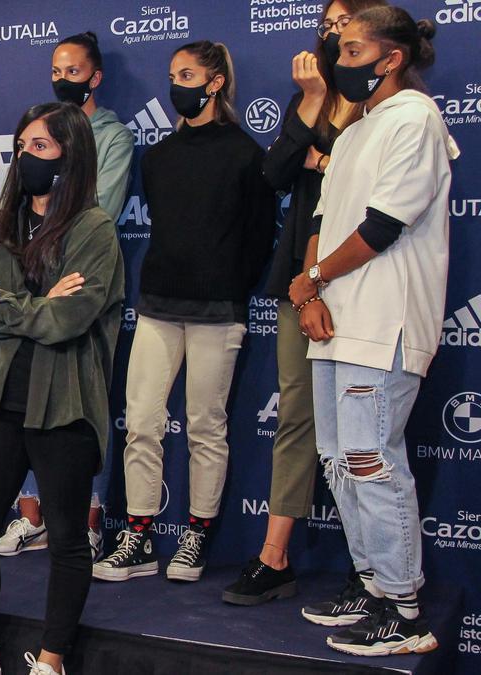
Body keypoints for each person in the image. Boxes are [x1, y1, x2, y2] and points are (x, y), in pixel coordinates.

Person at [289, 6, 454, 656]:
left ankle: (405, 608)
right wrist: (307, 290)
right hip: (333, 322)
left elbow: (383, 226)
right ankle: (374, 583)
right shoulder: (354, 128)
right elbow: (321, 221)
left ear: (391, 58)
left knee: (369, 460)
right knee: (338, 461)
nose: (341, 59)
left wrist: (315, 278)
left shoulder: (415, 118)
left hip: (383, 322)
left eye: (354, 50)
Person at [0, 102, 124, 675]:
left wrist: (7, 302)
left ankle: (51, 661)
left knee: (68, 538)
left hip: (63, 402)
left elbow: (66, 322)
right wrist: (30, 303)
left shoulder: (93, 228)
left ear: (71, 154)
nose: (26, 157)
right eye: (22, 146)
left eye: (40, 147)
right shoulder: (1, 223)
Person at [223, 0, 388, 607]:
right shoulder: (312, 95)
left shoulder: (386, 99)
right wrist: (313, 104)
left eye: (343, 25)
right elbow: (276, 172)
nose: (331, 34)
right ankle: (275, 556)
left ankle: (370, 570)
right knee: (298, 415)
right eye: (325, 27)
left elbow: (363, 184)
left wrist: (324, 157)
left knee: (363, 432)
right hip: (301, 271)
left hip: (365, 274)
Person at [94, 41, 274, 584]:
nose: (178, 84)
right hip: (157, 304)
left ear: (215, 83)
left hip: (219, 309)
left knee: (204, 426)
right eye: (173, 75)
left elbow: (260, 239)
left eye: (189, 74)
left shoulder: (247, 153)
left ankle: (195, 536)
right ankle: (140, 537)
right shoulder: (160, 156)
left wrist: (227, 287)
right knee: (142, 423)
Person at [0, 30, 135, 562]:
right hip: (34, 276)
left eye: (73, 71)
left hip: (83, 280)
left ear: (94, 77)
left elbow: (99, 206)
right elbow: (19, 205)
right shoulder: (40, 134)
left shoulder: (113, 137)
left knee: (80, 401)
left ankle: (86, 522)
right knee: (29, 396)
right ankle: (30, 518)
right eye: (56, 70)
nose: (62, 79)